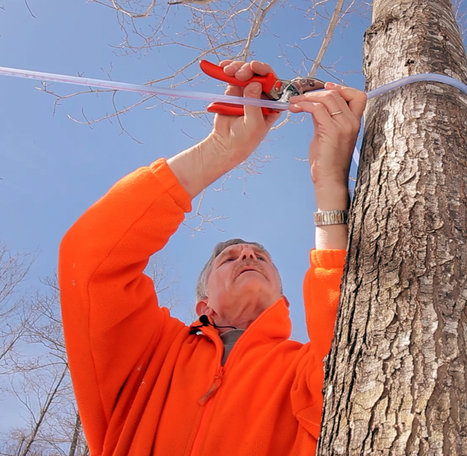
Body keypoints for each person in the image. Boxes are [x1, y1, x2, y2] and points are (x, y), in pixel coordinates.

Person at [58, 60, 367, 455]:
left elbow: (352, 333)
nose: (247, 254)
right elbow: (88, 259)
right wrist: (219, 151)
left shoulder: (302, 371)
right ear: (204, 304)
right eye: (230, 258)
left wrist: (329, 182)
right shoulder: (149, 356)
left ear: (283, 301)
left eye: (259, 256)